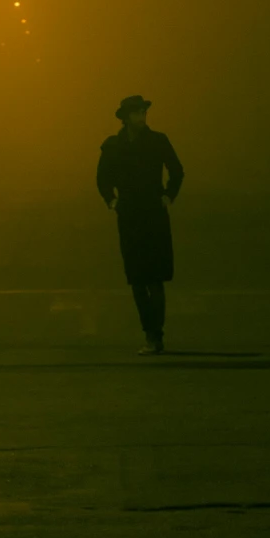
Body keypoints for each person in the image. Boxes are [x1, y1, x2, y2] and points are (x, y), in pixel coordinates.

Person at [96, 94, 184, 354]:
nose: (142, 117)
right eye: (136, 113)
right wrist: (112, 201)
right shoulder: (112, 146)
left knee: (155, 278)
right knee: (137, 279)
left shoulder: (158, 141)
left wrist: (168, 195)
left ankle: (155, 336)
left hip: (153, 213)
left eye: (143, 112)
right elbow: (102, 178)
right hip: (129, 215)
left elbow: (177, 169)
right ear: (125, 118)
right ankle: (150, 333)